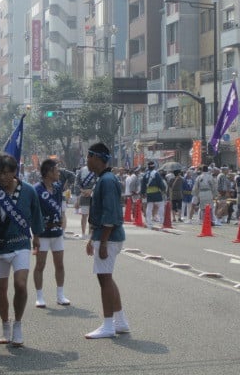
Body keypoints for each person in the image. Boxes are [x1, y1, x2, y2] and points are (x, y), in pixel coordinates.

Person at [0, 153, 43, 348]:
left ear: (14, 172)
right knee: (0, 290)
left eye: (6, 173)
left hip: (21, 243)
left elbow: (36, 214)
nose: (2, 177)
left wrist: (36, 236)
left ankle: (18, 324)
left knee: (20, 284)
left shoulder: (28, 191)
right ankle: (5, 325)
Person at [84, 143, 129, 339]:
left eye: (88, 156)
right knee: (106, 278)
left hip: (108, 238)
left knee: (104, 279)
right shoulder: (104, 179)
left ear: (96, 157)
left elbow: (110, 215)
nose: (87, 161)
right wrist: (92, 238)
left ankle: (108, 325)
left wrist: (102, 242)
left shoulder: (107, 180)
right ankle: (120, 322)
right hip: (104, 236)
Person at [33, 158, 70, 308]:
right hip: (42, 233)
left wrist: (63, 218)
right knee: (40, 265)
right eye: (56, 170)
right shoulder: (36, 189)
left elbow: (61, 207)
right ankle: (39, 296)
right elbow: (33, 212)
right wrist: (35, 233)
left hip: (57, 232)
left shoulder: (58, 187)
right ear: (48, 172)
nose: (58, 172)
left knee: (59, 264)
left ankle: (60, 295)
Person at [141, 161, 166, 229]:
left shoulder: (145, 174)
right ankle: (162, 221)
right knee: (161, 205)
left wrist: (143, 193)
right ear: (154, 166)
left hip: (149, 192)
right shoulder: (156, 173)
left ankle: (148, 221)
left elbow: (143, 185)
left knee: (149, 207)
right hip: (156, 192)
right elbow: (160, 183)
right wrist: (163, 189)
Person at [74, 164, 97, 238]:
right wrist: (83, 191)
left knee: (90, 216)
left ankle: (89, 233)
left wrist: (88, 190)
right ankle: (84, 233)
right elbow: (77, 182)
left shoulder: (95, 169)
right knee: (85, 216)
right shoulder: (82, 170)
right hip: (86, 195)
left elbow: (98, 181)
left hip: (92, 195)